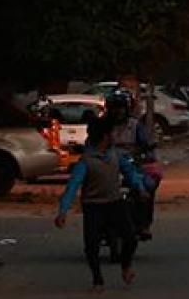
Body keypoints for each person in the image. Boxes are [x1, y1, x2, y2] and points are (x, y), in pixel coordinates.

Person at [55, 117, 150, 290]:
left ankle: (126, 265)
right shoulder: (85, 162)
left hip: (115, 203)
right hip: (93, 207)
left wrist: (141, 187)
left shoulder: (115, 155)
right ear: (106, 136)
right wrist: (63, 211)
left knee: (131, 238)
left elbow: (130, 172)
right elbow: (73, 186)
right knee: (91, 246)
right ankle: (97, 279)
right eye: (112, 133)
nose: (115, 135)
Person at [105, 90, 157, 241]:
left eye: (121, 107)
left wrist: (148, 155)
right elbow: (91, 144)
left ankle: (144, 224)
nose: (118, 111)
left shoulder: (135, 125)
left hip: (132, 165)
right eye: (115, 107)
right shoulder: (103, 126)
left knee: (148, 185)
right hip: (107, 167)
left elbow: (147, 145)